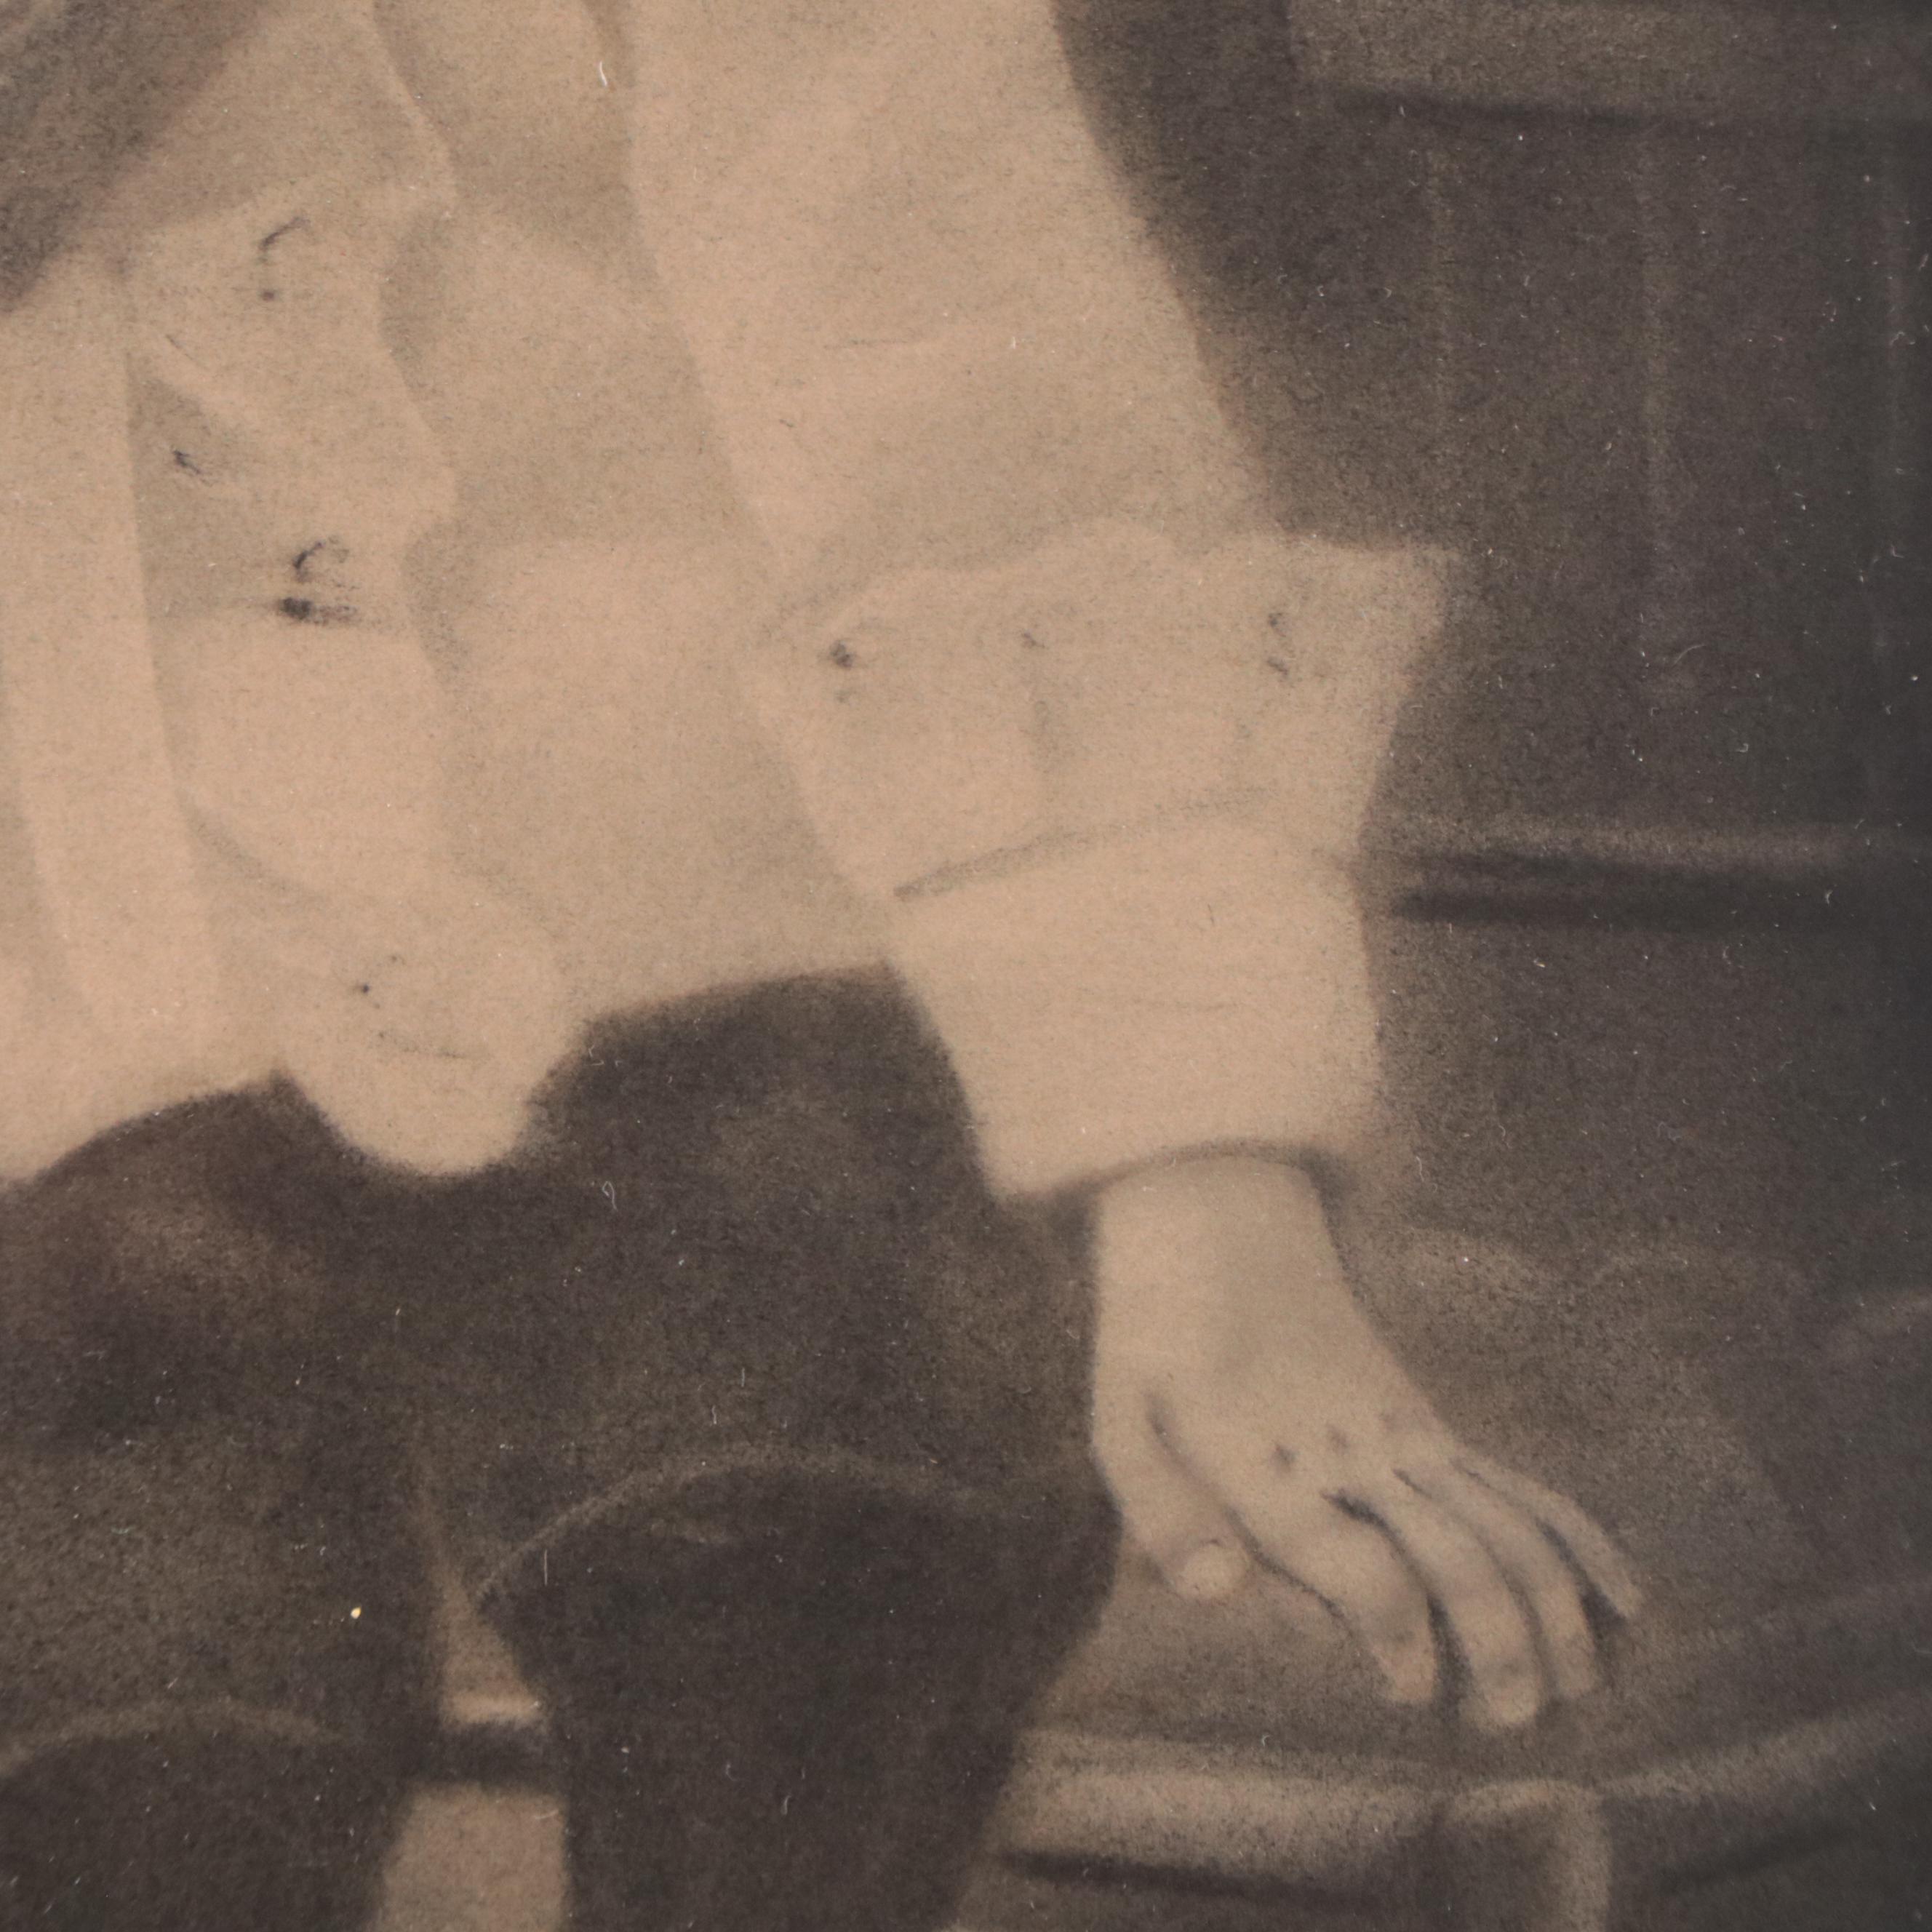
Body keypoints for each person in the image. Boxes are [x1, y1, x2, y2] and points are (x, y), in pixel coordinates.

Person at [0, 1, 1640, 1927]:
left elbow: (977, 365)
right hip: (97, 1098)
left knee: (800, 1418)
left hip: (708, 991)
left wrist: (1196, 1166)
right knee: (140, 1621)